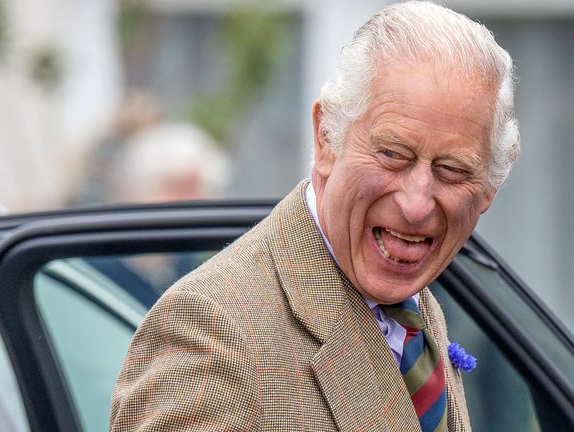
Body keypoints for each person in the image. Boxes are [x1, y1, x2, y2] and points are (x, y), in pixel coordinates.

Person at [109, 1, 519, 431]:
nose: (417, 204)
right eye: (392, 155)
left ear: (489, 189)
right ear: (326, 139)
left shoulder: (413, 308)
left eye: (452, 170)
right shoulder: (214, 333)